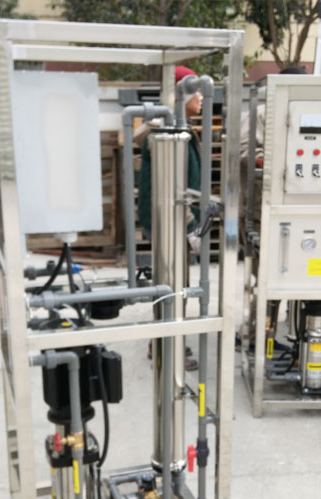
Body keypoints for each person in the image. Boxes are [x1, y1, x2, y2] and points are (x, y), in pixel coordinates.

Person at [136, 65, 204, 371]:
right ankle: (167, 348)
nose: (201, 97)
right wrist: (190, 226)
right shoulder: (167, 133)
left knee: (173, 282)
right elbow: (173, 187)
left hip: (174, 220)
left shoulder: (175, 127)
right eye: (196, 91)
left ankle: (164, 341)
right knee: (173, 284)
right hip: (172, 222)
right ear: (181, 94)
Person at [238, 66, 305, 353]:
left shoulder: (305, 116)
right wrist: (282, 162)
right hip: (260, 212)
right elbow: (245, 154)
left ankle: (269, 334)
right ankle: (253, 337)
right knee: (268, 278)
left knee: (288, 276)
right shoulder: (260, 115)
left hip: (293, 212)